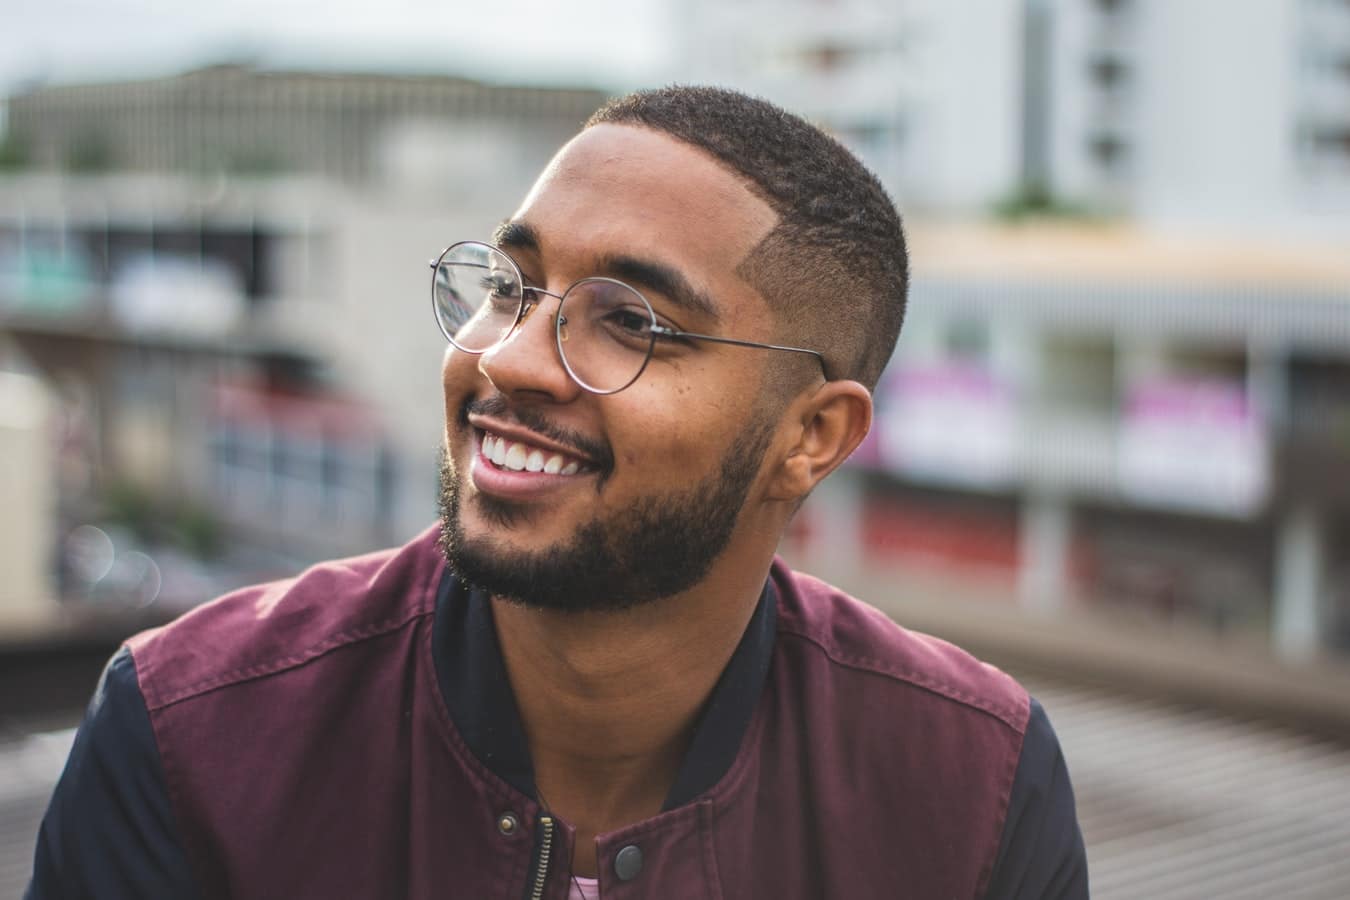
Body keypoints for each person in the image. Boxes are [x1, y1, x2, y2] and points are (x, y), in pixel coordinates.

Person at [29, 86, 1087, 899]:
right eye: (509, 287)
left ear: (810, 438)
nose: (511, 361)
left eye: (631, 321)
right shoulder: (192, 737)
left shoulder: (974, 787)